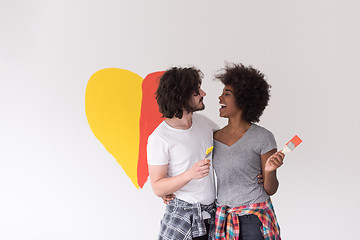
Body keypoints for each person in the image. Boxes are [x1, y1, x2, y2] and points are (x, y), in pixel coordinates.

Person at [212, 63, 284, 240]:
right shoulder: (212, 137)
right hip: (223, 218)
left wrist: (270, 170)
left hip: (254, 219)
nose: (220, 98)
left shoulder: (263, 137)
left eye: (227, 94)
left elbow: (270, 188)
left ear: (243, 100)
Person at [147, 66, 219, 240]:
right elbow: (157, 187)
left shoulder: (206, 124)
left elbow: (230, 147)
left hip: (211, 218)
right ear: (181, 96)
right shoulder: (160, 137)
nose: (203, 93)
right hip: (182, 219)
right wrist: (189, 175)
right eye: (196, 91)